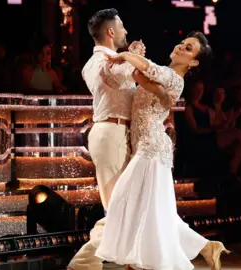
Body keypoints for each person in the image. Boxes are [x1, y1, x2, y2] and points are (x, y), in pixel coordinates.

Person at [95, 32, 230, 270]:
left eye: (188, 49)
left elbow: (145, 69)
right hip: (148, 146)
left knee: (124, 200)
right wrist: (134, 55)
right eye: (182, 43)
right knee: (156, 213)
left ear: (193, 62)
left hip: (151, 148)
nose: (180, 47)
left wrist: (127, 54)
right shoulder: (165, 76)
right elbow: (140, 73)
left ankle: (138, 259)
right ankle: (206, 248)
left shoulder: (174, 78)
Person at [67, 8, 148, 270]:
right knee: (117, 208)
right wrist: (133, 57)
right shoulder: (99, 62)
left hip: (121, 133)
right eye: (122, 27)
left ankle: (130, 262)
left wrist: (131, 58)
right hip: (109, 133)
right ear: (111, 31)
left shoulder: (115, 59)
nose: (126, 31)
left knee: (129, 203)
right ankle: (83, 263)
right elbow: (117, 75)